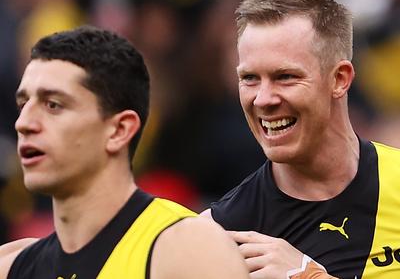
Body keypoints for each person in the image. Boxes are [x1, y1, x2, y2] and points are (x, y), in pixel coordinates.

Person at [202, 0, 400, 279]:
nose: (263, 99)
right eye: (250, 79)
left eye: (285, 77)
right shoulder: (216, 237)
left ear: (340, 79)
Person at [0, 26, 249, 278]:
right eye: (23, 104)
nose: (23, 123)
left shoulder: (188, 249)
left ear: (119, 130)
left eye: (53, 105)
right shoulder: (10, 266)